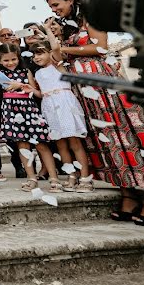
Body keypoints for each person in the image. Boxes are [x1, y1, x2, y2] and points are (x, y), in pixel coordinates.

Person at [47, 0, 144, 226]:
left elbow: (99, 47)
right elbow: (59, 58)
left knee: (122, 136)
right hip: (83, 88)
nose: (55, 10)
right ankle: (128, 194)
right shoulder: (69, 27)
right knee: (104, 140)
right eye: (51, 8)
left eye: (57, 5)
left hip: (102, 84)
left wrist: (62, 49)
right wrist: (54, 44)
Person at [0, 44, 62, 193]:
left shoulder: (26, 71)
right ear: (0, 60)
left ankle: (54, 178)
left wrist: (21, 85)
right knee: (22, 145)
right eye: (6, 60)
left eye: (13, 59)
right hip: (11, 110)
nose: (10, 63)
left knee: (41, 144)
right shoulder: (0, 74)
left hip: (29, 109)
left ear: (18, 57)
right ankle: (31, 178)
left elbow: (37, 92)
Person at [30, 41, 93, 192]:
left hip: (64, 104)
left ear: (49, 53)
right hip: (49, 106)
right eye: (33, 55)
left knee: (74, 142)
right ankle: (71, 175)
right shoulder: (37, 73)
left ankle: (85, 178)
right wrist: (29, 89)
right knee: (60, 144)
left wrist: (46, 30)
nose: (36, 57)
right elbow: (41, 93)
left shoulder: (57, 66)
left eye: (40, 53)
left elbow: (56, 48)